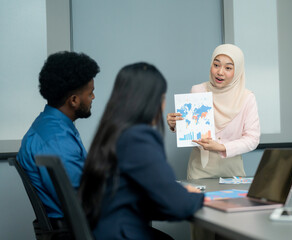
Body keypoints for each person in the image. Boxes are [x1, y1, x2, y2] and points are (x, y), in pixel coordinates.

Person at [79, 62, 204, 240]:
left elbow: (138, 198)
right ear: (154, 101)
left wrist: (175, 198)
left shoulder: (111, 132)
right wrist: (196, 197)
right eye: (162, 97)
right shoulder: (138, 138)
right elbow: (179, 206)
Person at [17, 51, 100, 229]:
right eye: (90, 93)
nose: (93, 97)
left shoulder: (52, 126)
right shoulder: (56, 140)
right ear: (74, 100)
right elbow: (85, 203)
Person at [167, 44, 260, 180]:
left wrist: (222, 147)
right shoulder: (198, 90)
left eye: (228, 68)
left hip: (232, 171)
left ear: (238, 70)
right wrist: (175, 124)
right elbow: (193, 127)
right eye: (216, 65)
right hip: (200, 170)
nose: (220, 72)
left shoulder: (247, 98)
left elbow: (253, 139)